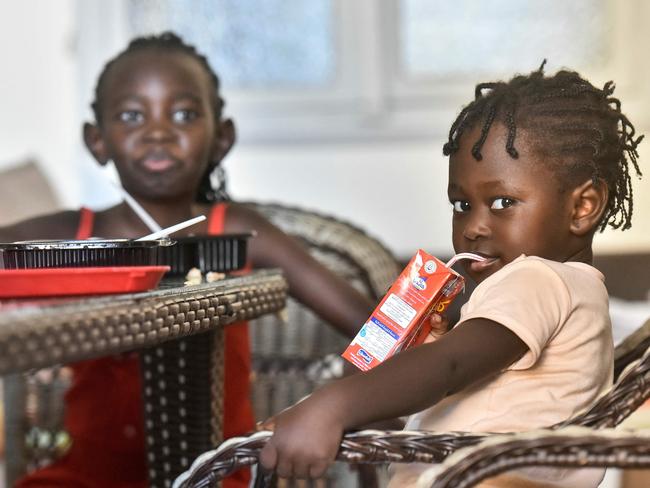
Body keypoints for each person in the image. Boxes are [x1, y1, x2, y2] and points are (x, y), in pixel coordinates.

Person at [1, 32, 377, 488]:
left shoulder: (239, 231)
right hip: (87, 477)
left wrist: (344, 402)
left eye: (183, 114)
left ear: (221, 138)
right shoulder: (68, 236)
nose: (158, 132)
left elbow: (371, 324)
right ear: (97, 141)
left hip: (213, 477)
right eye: (131, 115)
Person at [258, 63, 644, 487]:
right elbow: (447, 384)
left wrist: (330, 406)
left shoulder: (539, 278)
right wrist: (405, 351)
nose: (474, 226)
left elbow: (450, 365)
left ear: (582, 206)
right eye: (462, 206)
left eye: (501, 202)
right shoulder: (561, 291)